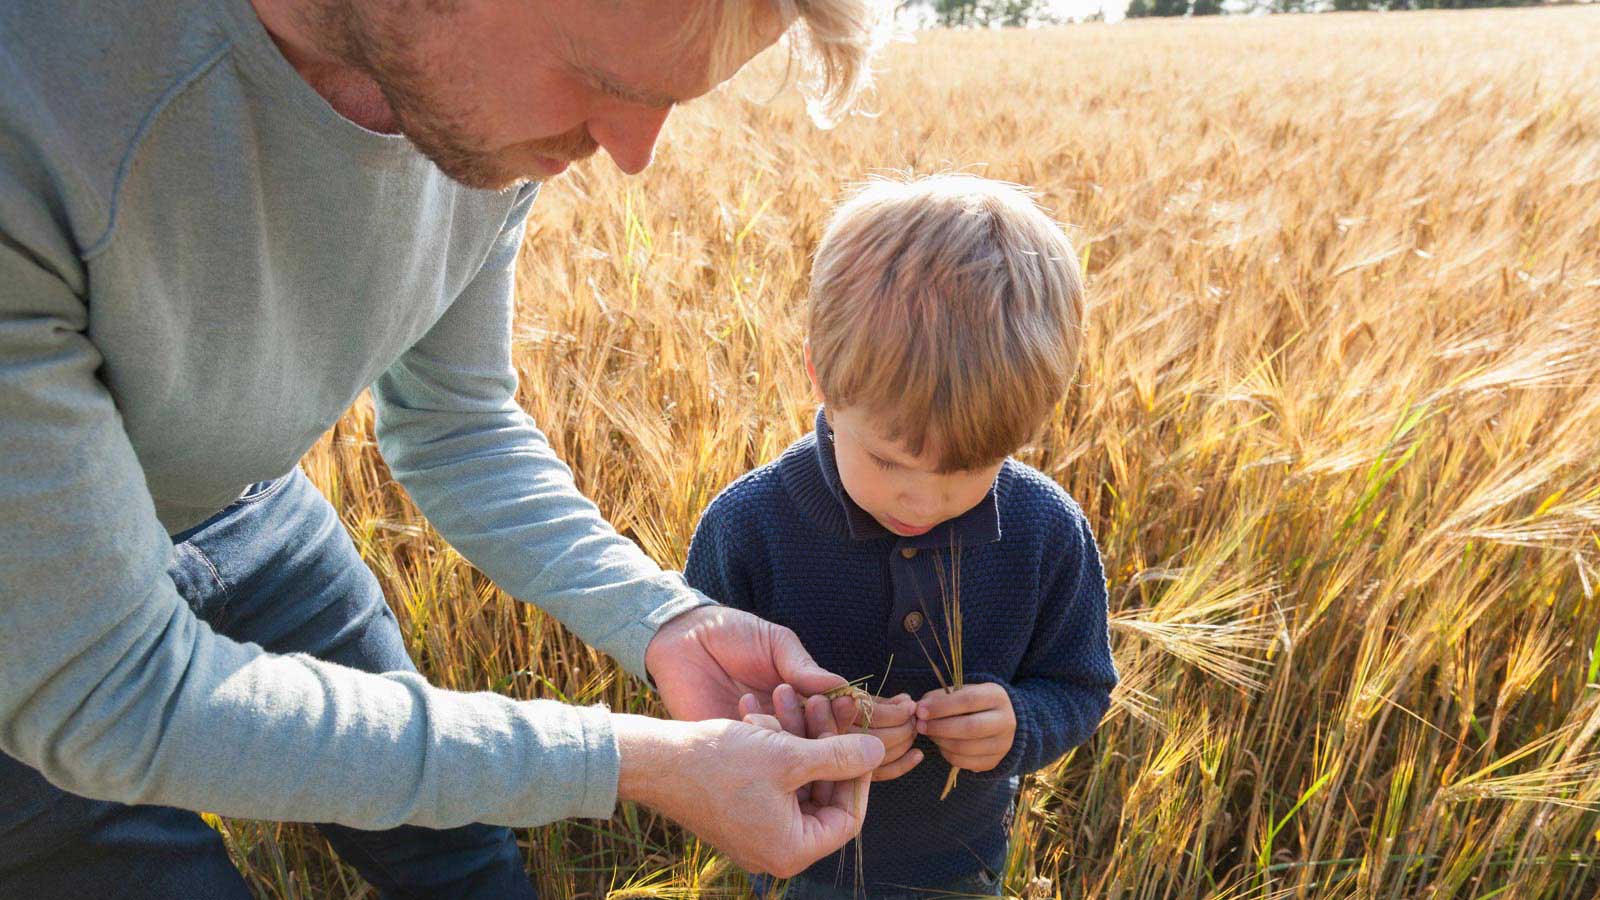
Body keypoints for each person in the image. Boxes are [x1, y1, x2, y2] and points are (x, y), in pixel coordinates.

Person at [0, 0, 895, 896]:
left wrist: (664, 621)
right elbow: (104, 688)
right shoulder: (36, 104)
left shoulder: (480, 108)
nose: (632, 151)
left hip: (257, 513)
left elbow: (455, 423)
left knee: (466, 864)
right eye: (604, 81)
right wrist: (638, 763)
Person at [685, 174, 1120, 898]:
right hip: (794, 863)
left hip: (958, 868)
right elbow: (707, 705)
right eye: (887, 460)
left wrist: (1020, 723)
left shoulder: (1046, 532)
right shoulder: (749, 527)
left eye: (969, 468)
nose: (922, 497)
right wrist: (808, 737)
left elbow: (1080, 687)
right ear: (821, 377)